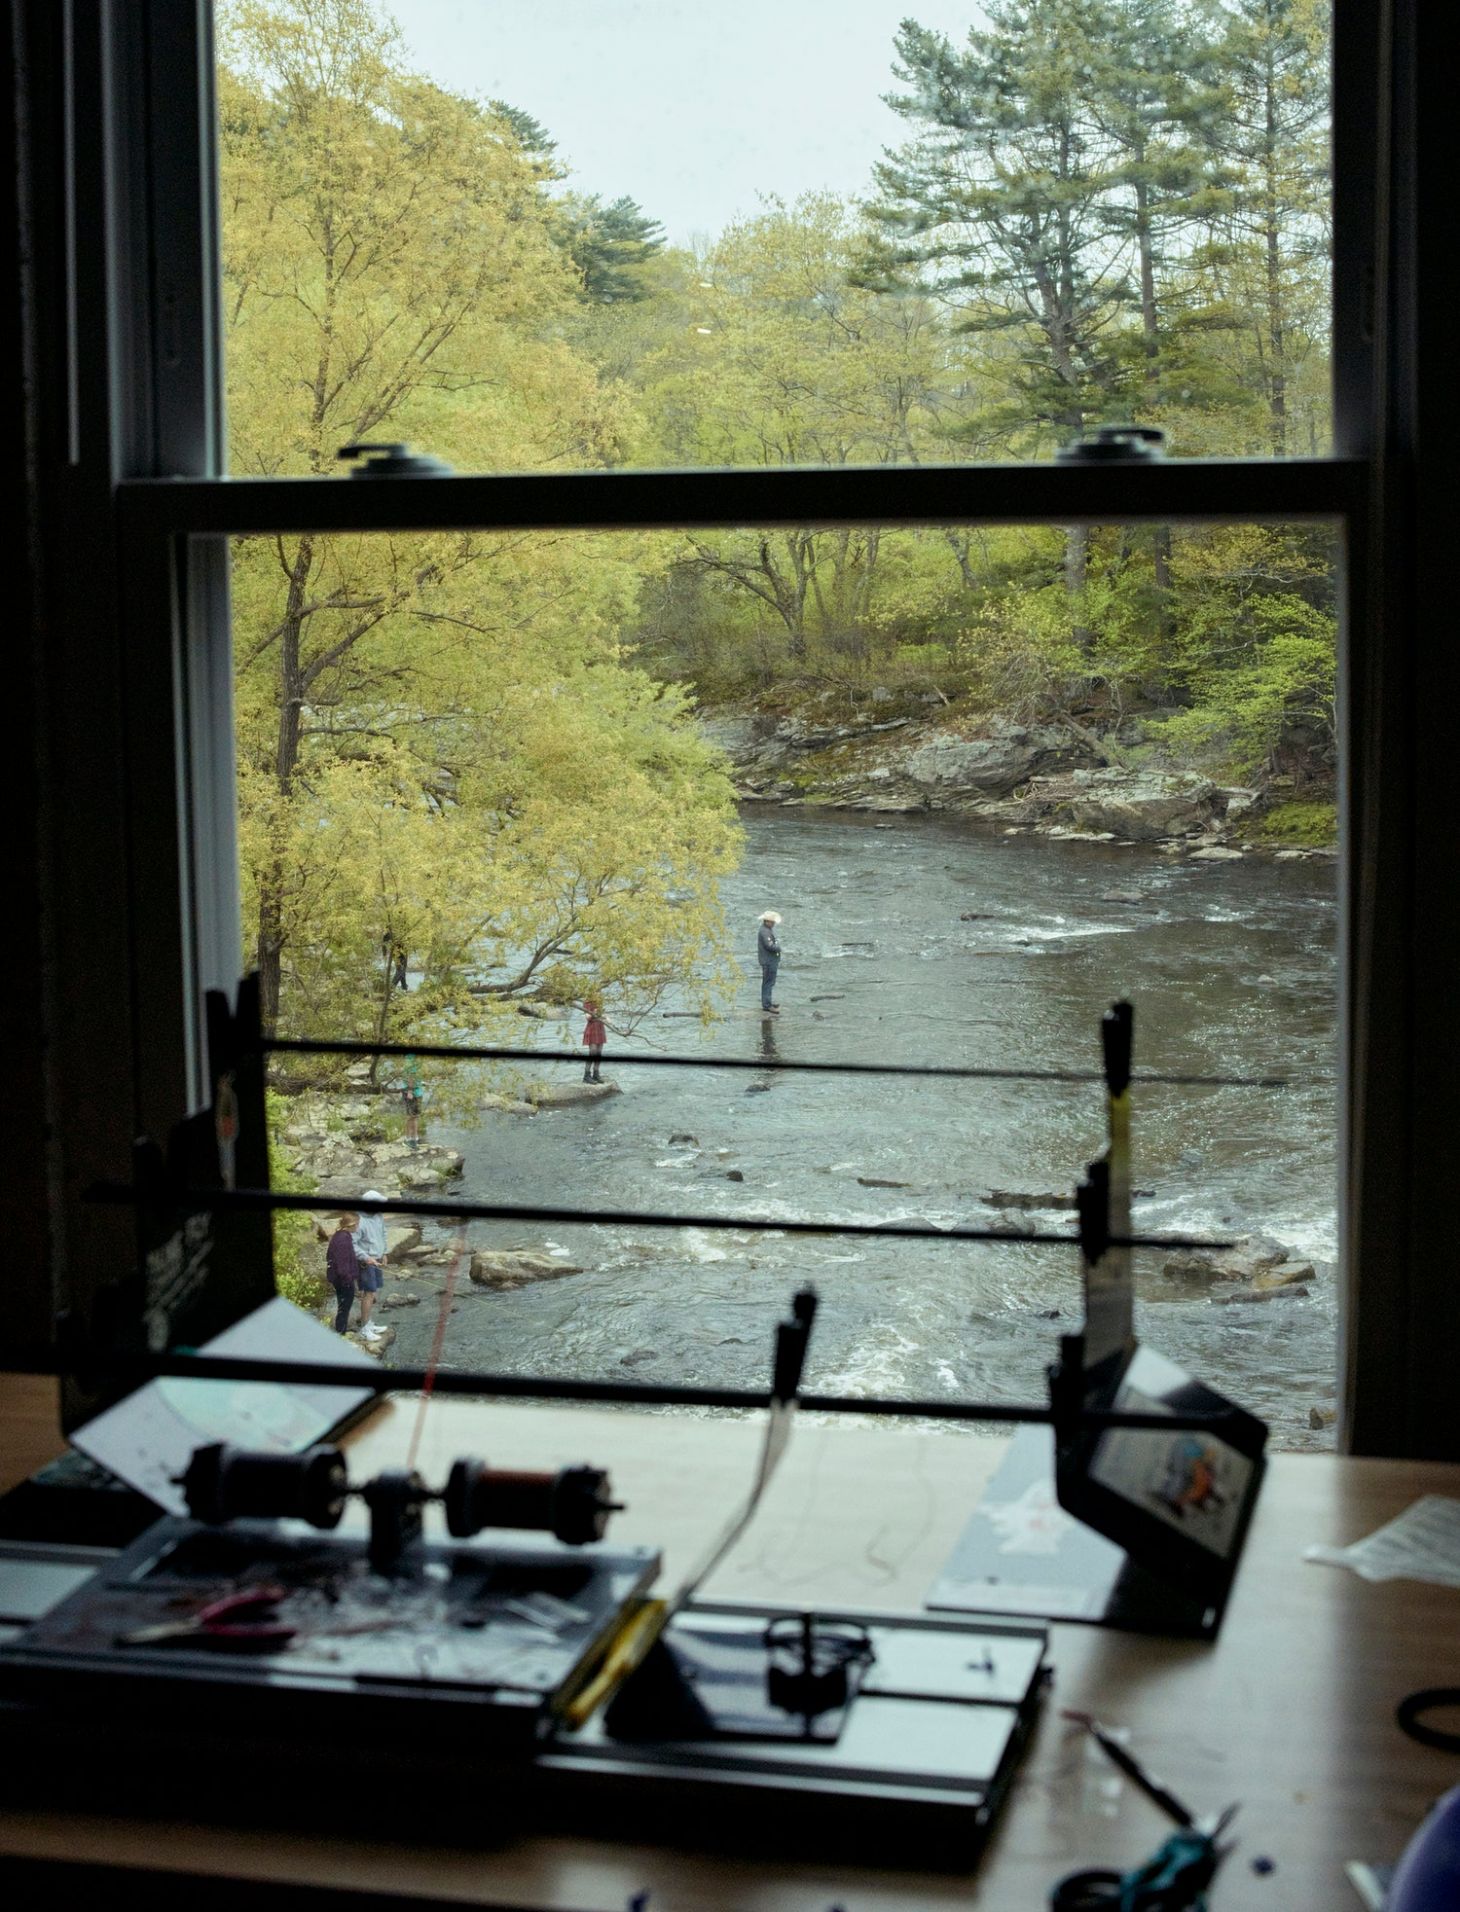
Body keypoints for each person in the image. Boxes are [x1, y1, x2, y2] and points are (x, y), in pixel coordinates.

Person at [352, 1192, 388, 1341]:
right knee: (368, 1294)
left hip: (377, 1259)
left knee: (373, 1294)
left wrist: (385, 1252)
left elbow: (383, 1233)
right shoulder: (358, 1221)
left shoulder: (378, 1216)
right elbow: (352, 1244)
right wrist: (366, 1258)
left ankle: (369, 1323)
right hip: (365, 1263)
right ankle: (365, 1329)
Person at [325, 1211, 360, 1335]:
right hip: (343, 1280)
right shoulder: (343, 1239)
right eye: (357, 1224)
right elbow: (342, 1265)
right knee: (344, 1307)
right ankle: (340, 1333)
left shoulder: (340, 1235)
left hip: (339, 1278)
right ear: (351, 1225)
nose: (358, 1226)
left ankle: (341, 1330)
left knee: (343, 1305)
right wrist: (349, 1281)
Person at [757, 910, 782, 1014]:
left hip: (768, 960)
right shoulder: (765, 931)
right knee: (768, 982)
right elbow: (769, 946)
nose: (774, 924)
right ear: (767, 921)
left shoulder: (765, 930)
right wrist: (778, 947)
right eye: (772, 922)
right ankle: (767, 1005)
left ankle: (768, 1002)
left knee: (768, 982)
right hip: (768, 961)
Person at [582, 998, 606, 1083]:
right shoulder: (587, 1002)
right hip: (592, 1028)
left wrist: (607, 1018)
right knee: (593, 1051)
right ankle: (586, 1075)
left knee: (599, 1052)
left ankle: (596, 1074)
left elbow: (602, 1014)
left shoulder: (599, 1001)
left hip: (600, 1027)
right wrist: (594, 1012)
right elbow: (587, 1017)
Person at [401, 1053, 423, 1147]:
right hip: (413, 1093)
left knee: (413, 1116)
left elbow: (413, 1076)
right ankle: (411, 1140)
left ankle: (413, 1138)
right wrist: (410, 1091)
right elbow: (411, 1076)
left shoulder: (408, 1059)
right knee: (412, 1117)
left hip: (414, 1091)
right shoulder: (411, 1060)